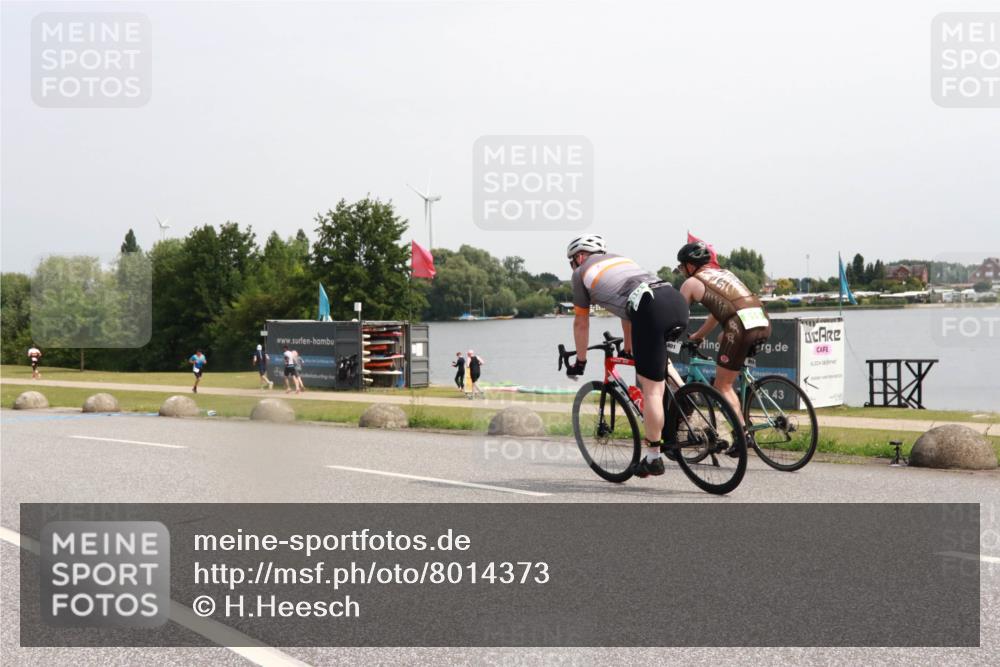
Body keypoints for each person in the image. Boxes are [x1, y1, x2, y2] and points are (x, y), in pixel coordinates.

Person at [565, 234, 689, 478]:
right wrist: (629, 348)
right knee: (658, 365)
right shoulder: (622, 260)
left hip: (650, 308)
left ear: (579, 257)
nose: (573, 266)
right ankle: (683, 394)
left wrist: (580, 361)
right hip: (675, 300)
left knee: (652, 389)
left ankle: (653, 458)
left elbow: (581, 322)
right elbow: (628, 309)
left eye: (572, 261)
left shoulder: (580, 274)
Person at [677, 240, 772, 433]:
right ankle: (741, 403)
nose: (681, 270)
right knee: (722, 338)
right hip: (762, 321)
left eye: (681, 266)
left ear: (689, 265)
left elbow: (676, 315)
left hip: (740, 327)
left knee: (722, 385)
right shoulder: (726, 273)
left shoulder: (691, 283)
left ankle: (742, 434)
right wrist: (699, 335)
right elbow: (718, 313)